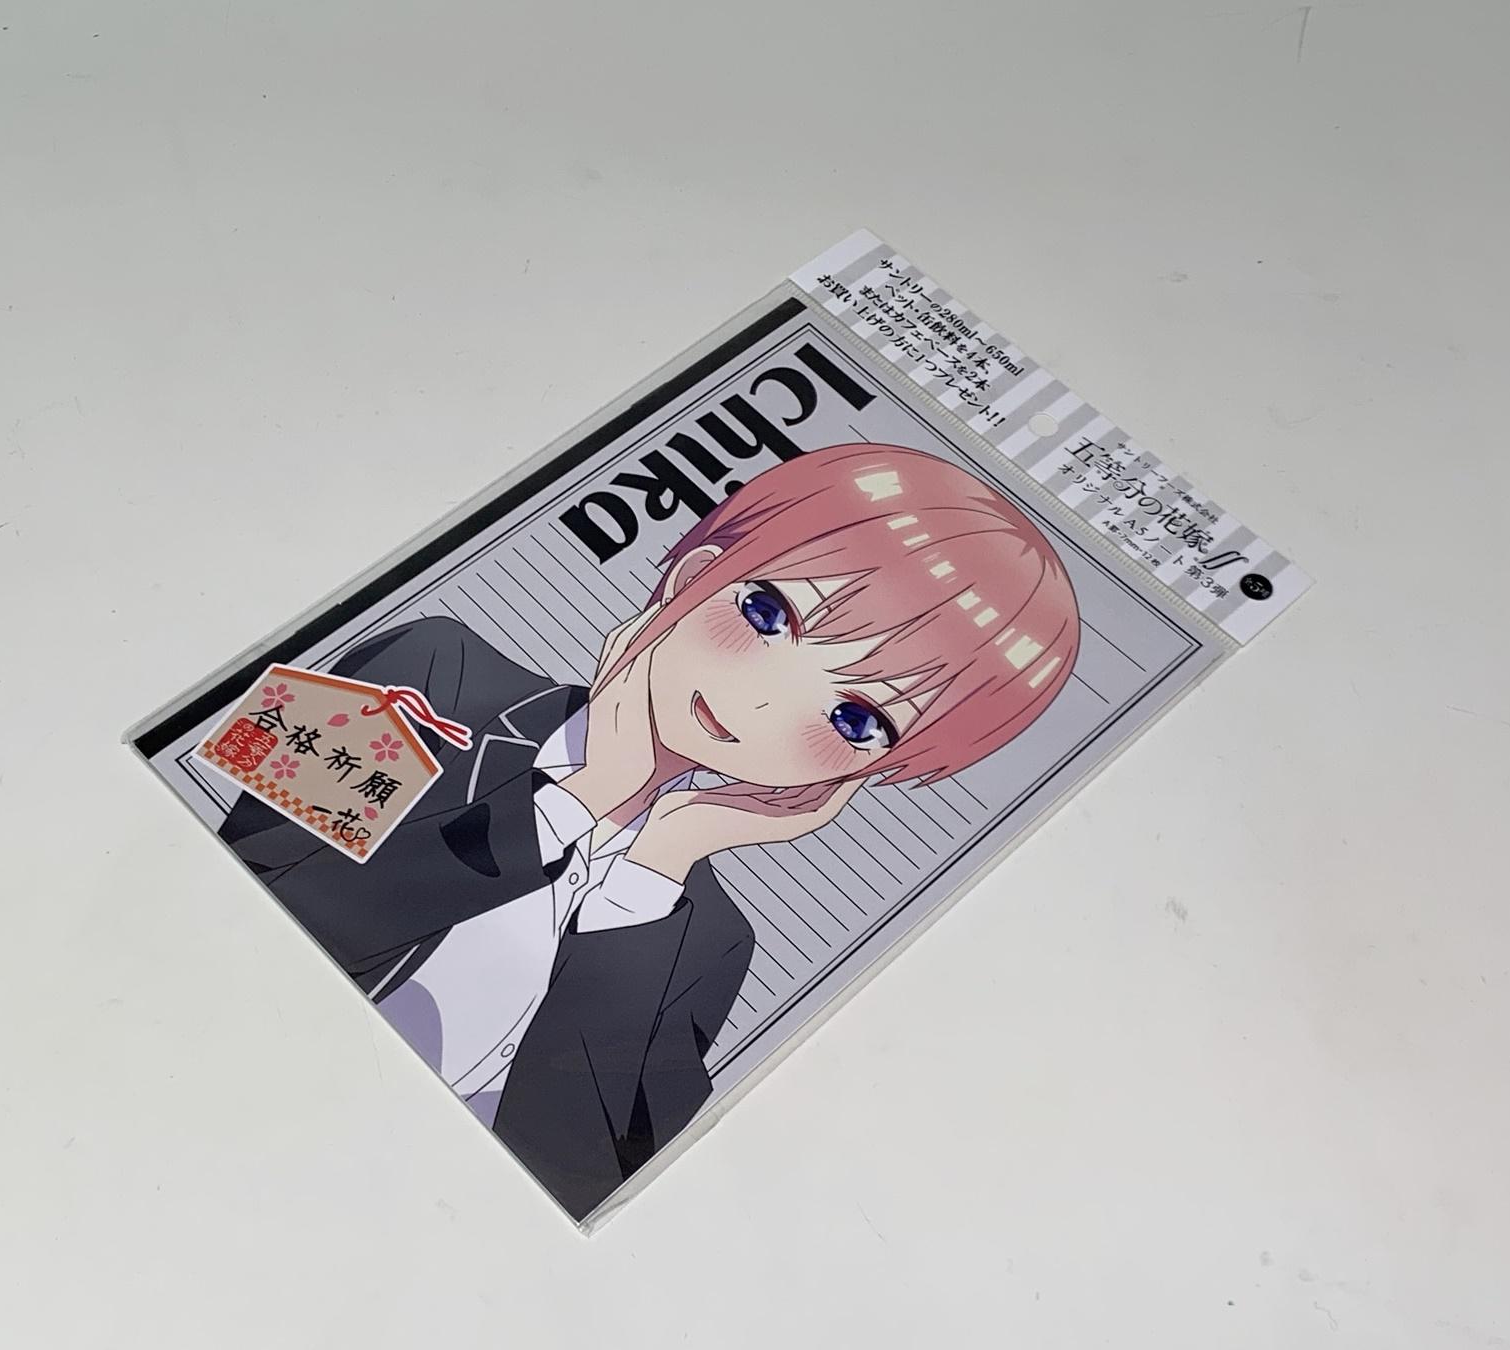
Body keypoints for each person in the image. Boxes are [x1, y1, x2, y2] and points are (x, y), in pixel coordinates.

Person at [219, 442, 1080, 1219]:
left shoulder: (706, 939)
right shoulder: (429, 664)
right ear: (692, 576)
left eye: (855, 719)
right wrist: (583, 793)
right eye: (768, 616)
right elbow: (235, 873)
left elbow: (581, 1179)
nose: (762, 702)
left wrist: (659, 862)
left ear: (869, 772)